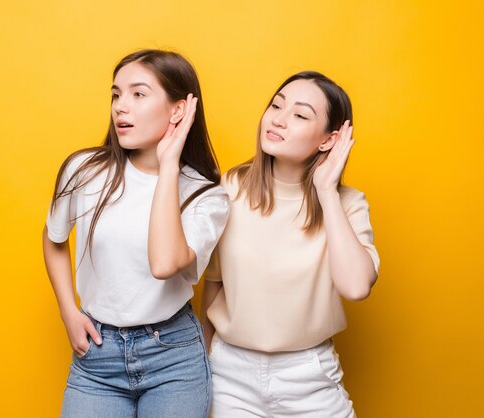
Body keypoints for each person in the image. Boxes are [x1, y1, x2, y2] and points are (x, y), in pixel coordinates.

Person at [43, 49, 229, 418]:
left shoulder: (206, 195)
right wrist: (68, 311)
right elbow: (53, 238)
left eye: (138, 94)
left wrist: (169, 164)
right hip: (97, 357)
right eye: (116, 94)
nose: (120, 107)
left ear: (178, 110)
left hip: (173, 358)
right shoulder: (83, 171)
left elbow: (164, 264)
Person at [202, 71, 380, 418]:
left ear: (329, 140)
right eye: (276, 105)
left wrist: (326, 192)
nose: (279, 119)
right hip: (230, 373)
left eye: (299, 115)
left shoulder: (348, 204)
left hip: (308, 375)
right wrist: (206, 361)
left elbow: (357, 286)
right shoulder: (229, 188)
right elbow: (213, 283)